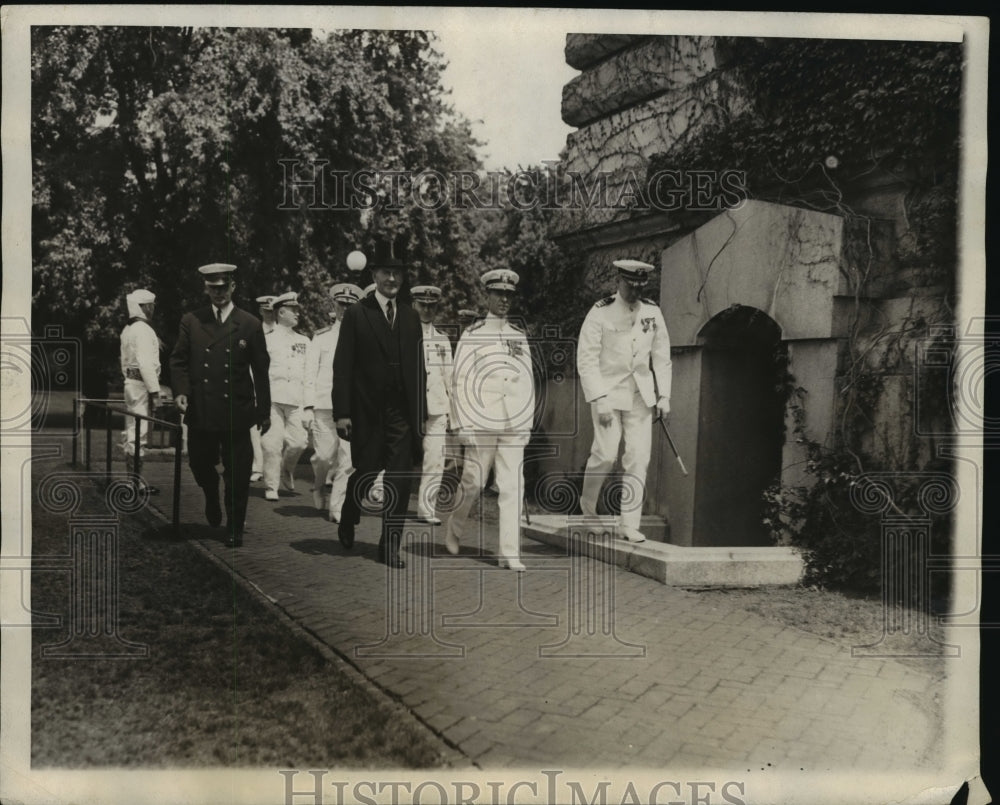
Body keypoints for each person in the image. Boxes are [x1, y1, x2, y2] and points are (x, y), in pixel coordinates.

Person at [333, 241, 425, 568]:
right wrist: (342, 413)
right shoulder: (359, 314)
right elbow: (342, 366)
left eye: (397, 273)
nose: (392, 279)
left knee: (399, 478)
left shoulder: (412, 317)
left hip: (401, 413)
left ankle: (390, 545)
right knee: (367, 470)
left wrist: (421, 416)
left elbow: (419, 371)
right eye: (386, 272)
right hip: (367, 411)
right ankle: (349, 513)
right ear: (374, 274)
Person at [170, 263, 270, 546]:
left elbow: (261, 370)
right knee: (200, 464)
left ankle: (235, 527)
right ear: (205, 288)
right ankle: (211, 491)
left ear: (233, 287)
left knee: (238, 475)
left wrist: (263, 411)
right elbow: (178, 360)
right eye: (213, 288)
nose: (219, 293)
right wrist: (180, 390)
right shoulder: (192, 320)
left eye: (223, 287)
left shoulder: (249, 324)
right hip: (201, 409)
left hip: (236, 410)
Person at [576, 258, 672, 543]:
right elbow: (587, 358)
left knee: (638, 457)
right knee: (605, 455)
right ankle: (589, 512)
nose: (634, 292)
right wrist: (599, 397)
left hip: (641, 395)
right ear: (618, 282)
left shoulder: (652, 312)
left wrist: (664, 395)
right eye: (630, 286)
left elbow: (662, 356)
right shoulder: (600, 312)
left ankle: (628, 524)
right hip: (607, 393)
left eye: (640, 286)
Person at [444, 269, 535, 571]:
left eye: (509, 295)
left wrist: (526, 425)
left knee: (513, 486)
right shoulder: (473, 334)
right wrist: (461, 425)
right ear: (488, 295)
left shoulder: (518, 336)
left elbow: (526, 381)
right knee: (473, 482)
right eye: (499, 294)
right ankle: (454, 528)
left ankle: (509, 552)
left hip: (513, 421)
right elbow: (460, 380)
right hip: (482, 420)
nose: (504, 300)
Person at [306, 281, 363, 521]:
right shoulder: (321, 338)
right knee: (323, 457)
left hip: (351, 409)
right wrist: (307, 407)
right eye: (341, 304)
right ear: (334, 305)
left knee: (349, 460)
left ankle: (337, 507)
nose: (345, 309)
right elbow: (309, 373)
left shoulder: (363, 339)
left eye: (350, 306)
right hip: (323, 405)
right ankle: (319, 485)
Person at [261, 292, 311, 501]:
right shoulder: (266, 339)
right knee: (272, 444)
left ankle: (287, 469)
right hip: (272, 398)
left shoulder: (304, 341)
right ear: (281, 312)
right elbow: (258, 371)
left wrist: (309, 405)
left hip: (296, 399)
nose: (298, 313)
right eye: (294, 310)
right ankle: (271, 486)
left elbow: (309, 375)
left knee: (299, 443)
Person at [412, 285, 453, 525]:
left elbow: (450, 377)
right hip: (408, 408)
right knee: (395, 454)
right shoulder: (401, 334)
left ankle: (426, 508)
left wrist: (454, 414)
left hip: (437, 408)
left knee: (435, 460)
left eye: (431, 306)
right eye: (422, 305)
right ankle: (379, 489)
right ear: (414, 305)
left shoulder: (442, 340)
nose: (426, 310)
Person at [120, 288, 161, 494]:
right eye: (151, 306)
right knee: (139, 432)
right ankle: (135, 482)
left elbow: (124, 362)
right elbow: (145, 364)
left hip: (131, 383)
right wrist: (154, 391)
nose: (153, 309)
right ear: (144, 307)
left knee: (132, 431)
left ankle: (133, 480)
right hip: (141, 385)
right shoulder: (143, 331)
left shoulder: (128, 330)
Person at [250, 294, 277, 482]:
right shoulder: (253, 330)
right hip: (257, 381)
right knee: (255, 426)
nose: (269, 314)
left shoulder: (283, 332)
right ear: (260, 311)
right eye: (266, 311)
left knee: (276, 430)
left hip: (278, 383)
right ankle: (258, 466)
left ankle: (272, 465)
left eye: (271, 311)